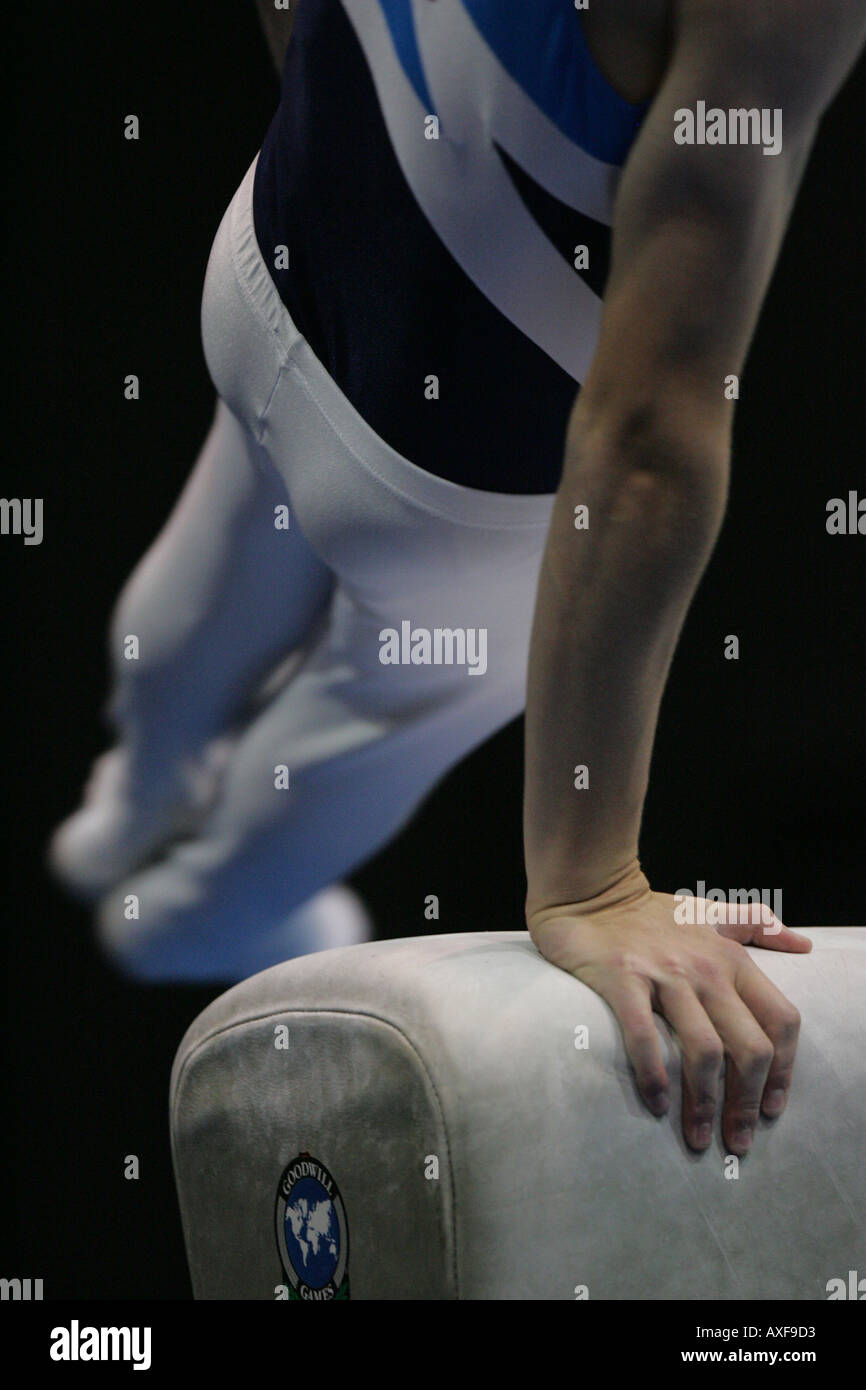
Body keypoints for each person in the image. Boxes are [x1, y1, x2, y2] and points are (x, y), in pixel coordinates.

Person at [49, 0, 866, 1158]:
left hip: (262, 269)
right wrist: (589, 885)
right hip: (440, 499)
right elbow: (643, 431)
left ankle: (135, 783)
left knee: (232, 529)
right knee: (373, 715)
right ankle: (197, 911)